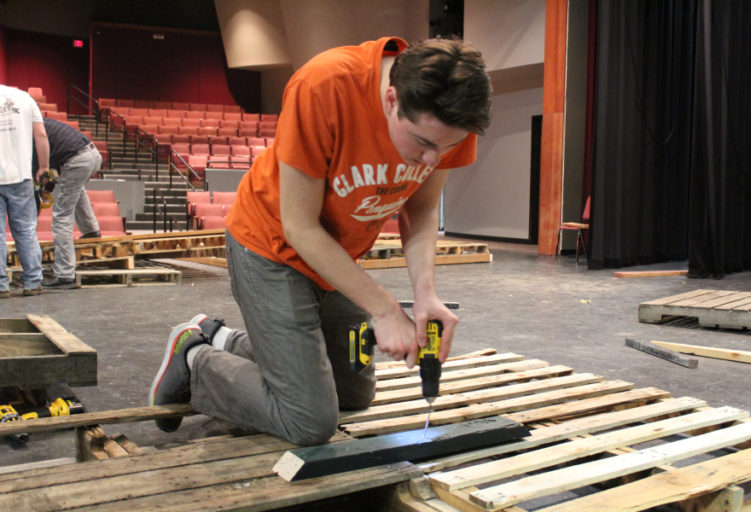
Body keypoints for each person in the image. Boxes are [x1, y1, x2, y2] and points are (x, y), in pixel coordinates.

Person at [149, 37, 492, 445]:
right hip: (272, 247)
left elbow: (419, 210)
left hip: (338, 256)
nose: (434, 160)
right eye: (423, 143)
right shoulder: (324, 85)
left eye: (448, 147)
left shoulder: (450, 116)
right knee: (310, 420)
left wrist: (426, 297)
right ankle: (194, 358)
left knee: (354, 395)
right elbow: (300, 228)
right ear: (390, 99)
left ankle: (222, 338)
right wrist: (383, 309)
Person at [33, 118, 102, 289]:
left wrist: (34, 211)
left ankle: (65, 274)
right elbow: (48, 173)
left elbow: (41, 174)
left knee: (61, 215)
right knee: (76, 190)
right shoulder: (41, 124)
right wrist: (45, 187)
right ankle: (91, 230)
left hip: (77, 160)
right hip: (93, 154)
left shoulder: (30, 135)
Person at [0, 85, 49, 298]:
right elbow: (40, 135)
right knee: (27, 231)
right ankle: (32, 282)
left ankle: (2, 286)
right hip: (21, 175)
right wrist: (44, 168)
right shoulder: (25, 98)